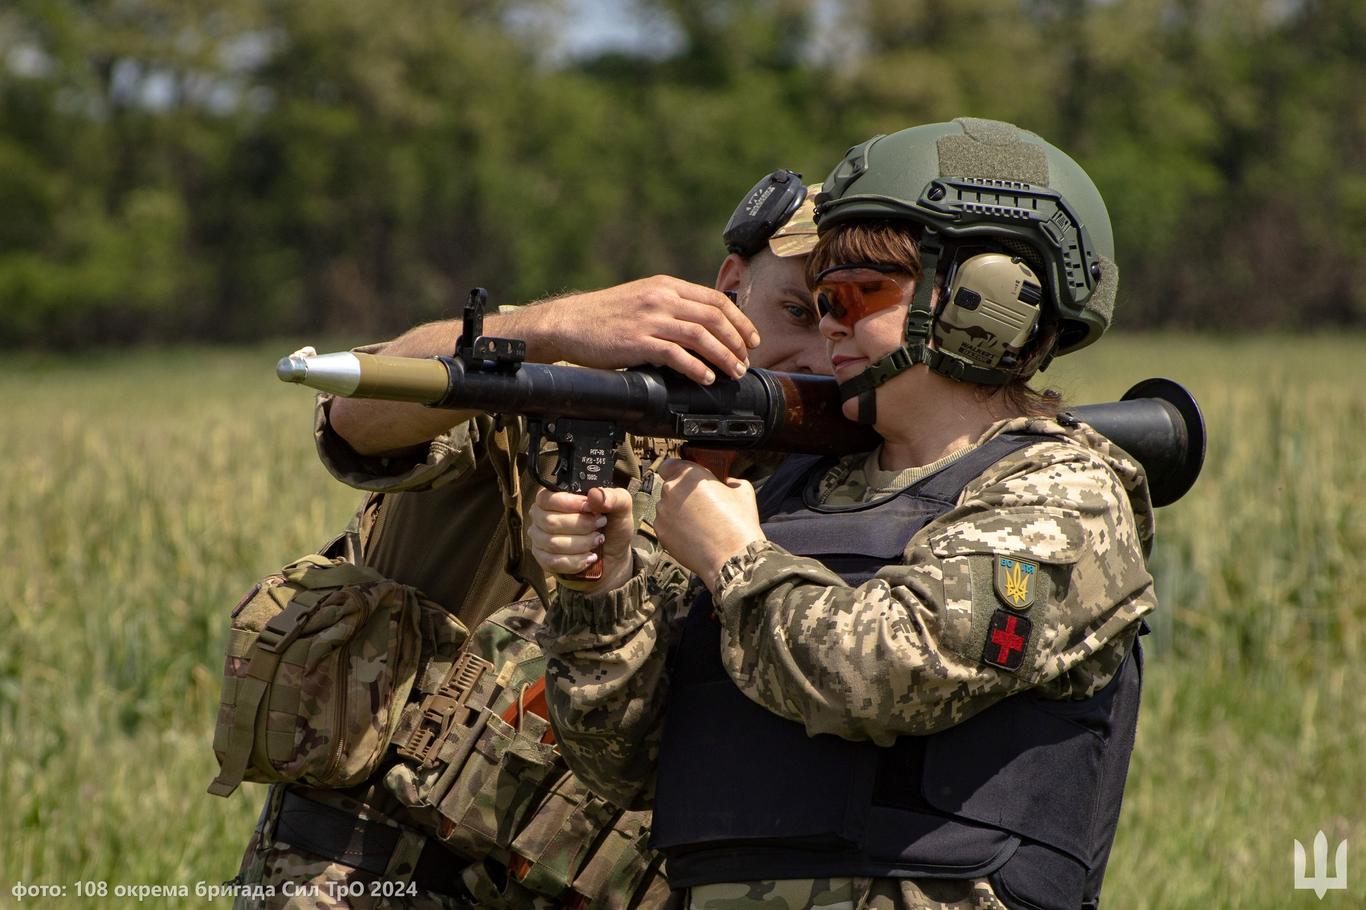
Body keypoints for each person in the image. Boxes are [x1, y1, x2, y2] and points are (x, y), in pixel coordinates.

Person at [529, 118, 1156, 910]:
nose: (829, 321)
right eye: (822, 297)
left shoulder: (1062, 493)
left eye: (860, 293)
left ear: (985, 299)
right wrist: (604, 588)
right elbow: (624, 766)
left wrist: (735, 562)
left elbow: (893, 675)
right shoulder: (789, 492)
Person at [229, 171, 831, 909]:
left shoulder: (852, 475)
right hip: (369, 871)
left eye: (842, 320)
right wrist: (551, 327)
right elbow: (357, 419)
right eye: (797, 311)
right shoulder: (571, 380)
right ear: (732, 283)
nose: (817, 355)